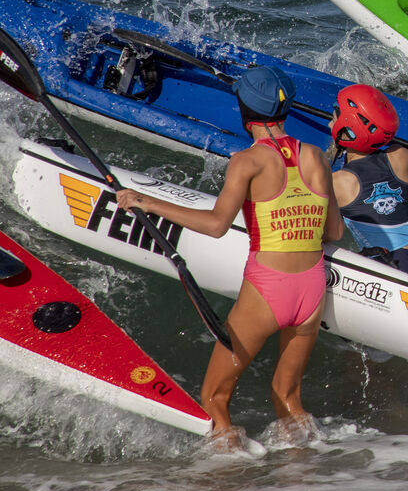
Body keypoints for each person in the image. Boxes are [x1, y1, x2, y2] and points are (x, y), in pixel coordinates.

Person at [116, 66, 343, 443]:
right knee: (288, 398)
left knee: (215, 399)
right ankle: (306, 472)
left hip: (269, 288)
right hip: (312, 287)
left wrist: (147, 202)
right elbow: (334, 231)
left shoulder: (248, 161)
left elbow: (217, 225)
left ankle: (229, 476)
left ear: (245, 109)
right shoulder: (317, 156)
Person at [329, 83, 408, 287]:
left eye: (334, 117)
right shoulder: (400, 156)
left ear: (349, 128)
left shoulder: (338, 181)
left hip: (388, 279)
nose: (330, 123)